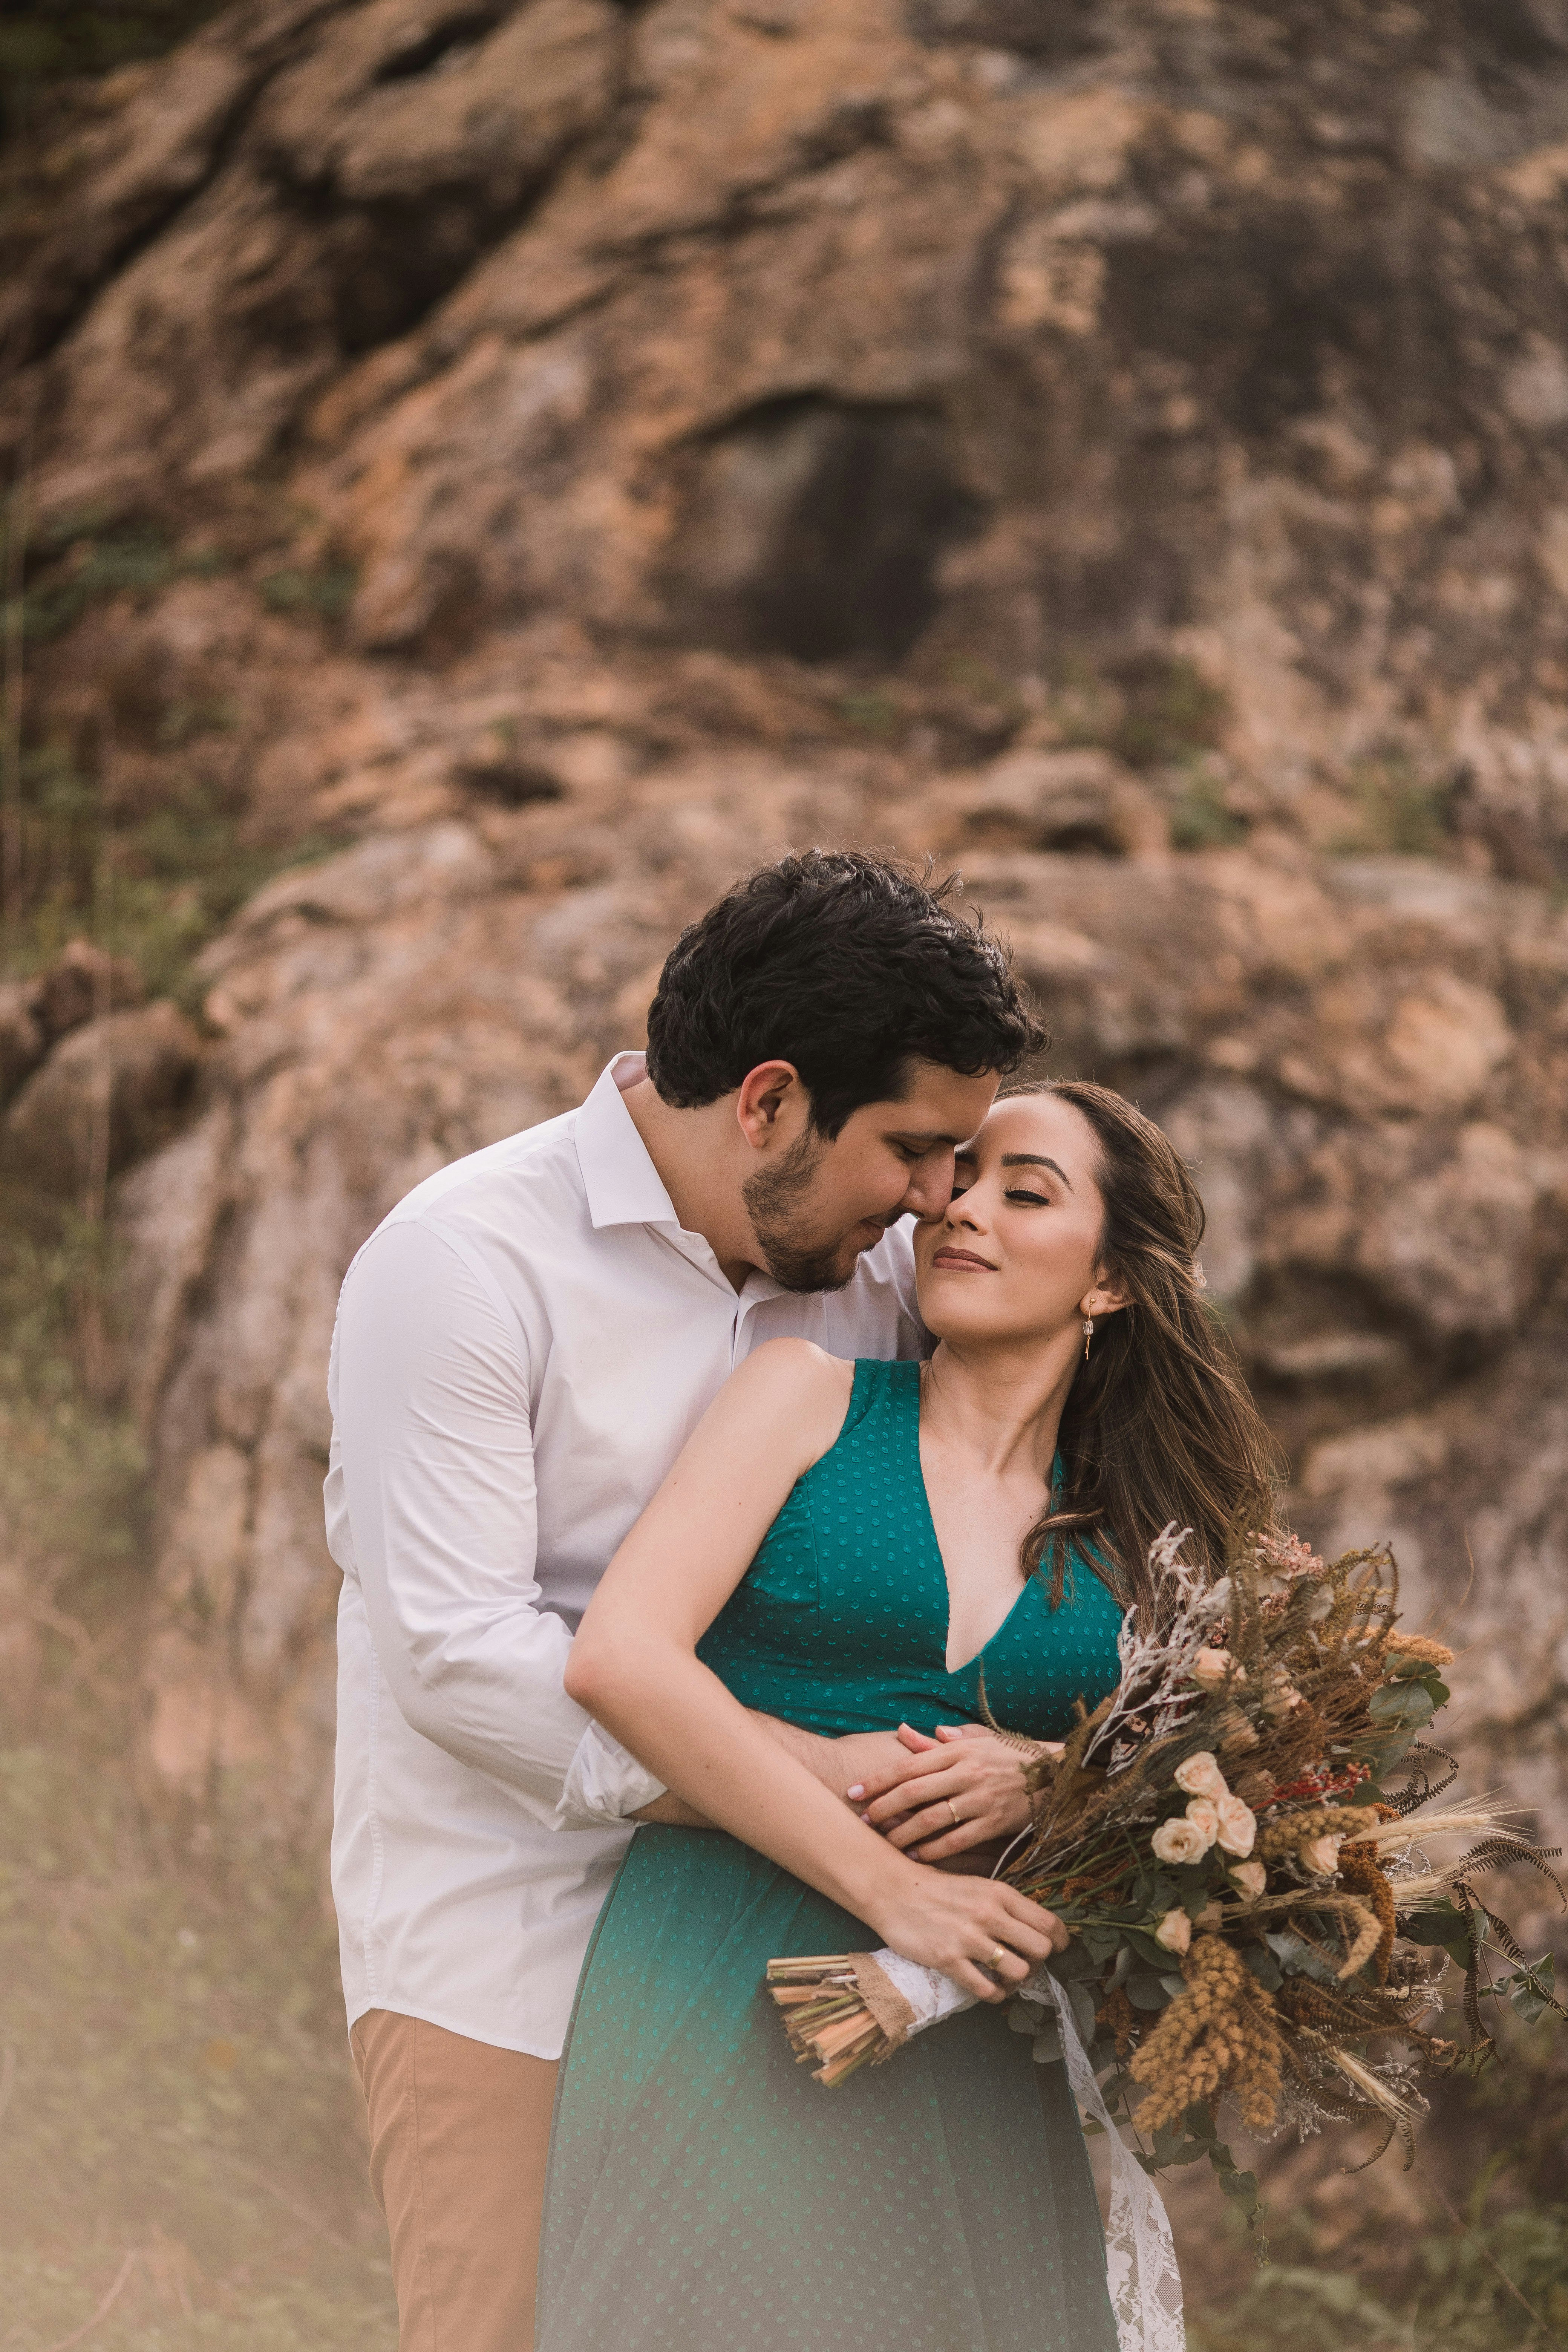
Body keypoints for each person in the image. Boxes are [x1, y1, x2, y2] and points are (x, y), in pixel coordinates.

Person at [323, 850, 1044, 2351]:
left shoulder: (876, 1271)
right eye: (913, 1148)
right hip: (515, 1955)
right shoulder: (463, 1264)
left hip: (797, 1955)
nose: (935, 1199)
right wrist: (827, 1779)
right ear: (768, 1099)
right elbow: (459, 1657)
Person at [546, 1080, 1282, 2352]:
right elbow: (621, 1662)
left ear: (1107, 1281)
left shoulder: (1143, 1546)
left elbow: (1212, 1791)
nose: (960, 1209)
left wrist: (1056, 1779)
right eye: (959, 1178)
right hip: (722, 1973)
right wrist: (899, 1892)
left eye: (1024, 1191)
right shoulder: (807, 1399)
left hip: (968, 2040)